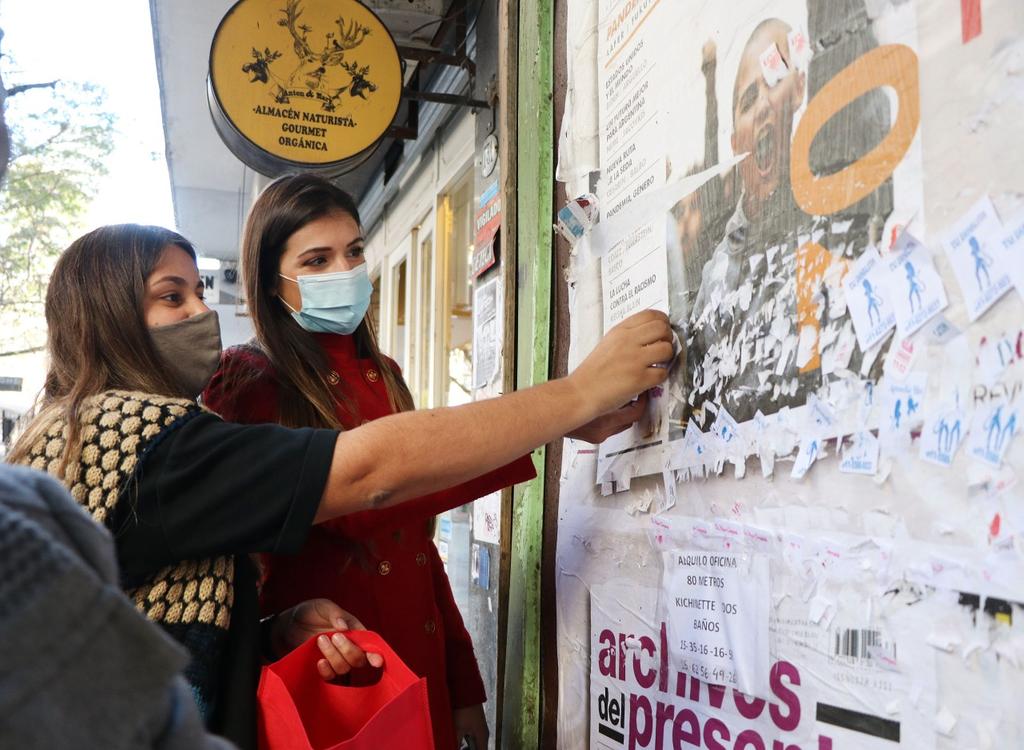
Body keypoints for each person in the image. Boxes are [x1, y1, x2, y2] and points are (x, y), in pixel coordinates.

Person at [7, 223, 671, 748]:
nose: (202, 315)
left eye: (354, 251)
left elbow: (152, 599)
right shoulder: (142, 436)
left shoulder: (77, 433)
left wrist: (273, 631)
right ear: (106, 315)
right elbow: (369, 474)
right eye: (171, 297)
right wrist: (577, 395)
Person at [203, 173, 646, 750]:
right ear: (270, 283)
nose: (345, 271)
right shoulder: (248, 378)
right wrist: (559, 413)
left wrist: (462, 687)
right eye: (316, 260)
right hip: (331, 673)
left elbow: (419, 550)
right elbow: (366, 500)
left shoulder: (385, 372)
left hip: (417, 663)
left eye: (354, 251)